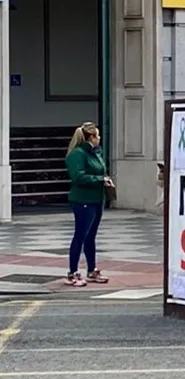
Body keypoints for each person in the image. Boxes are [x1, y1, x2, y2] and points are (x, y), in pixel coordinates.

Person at [64, 121, 112, 287]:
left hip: (97, 199)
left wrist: (104, 179)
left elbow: (100, 169)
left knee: (91, 236)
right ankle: (72, 272)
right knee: (80, 235)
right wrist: (100, 179)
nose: (99, 138)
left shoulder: (95, 153)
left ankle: (92, 269)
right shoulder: (77, 154)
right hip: (83, 200)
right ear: (91, 137)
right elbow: (77, 176)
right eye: (97, 135)